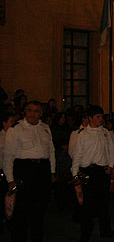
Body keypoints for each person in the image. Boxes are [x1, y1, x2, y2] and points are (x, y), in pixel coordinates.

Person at [3, 101, 56, 242]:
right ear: (24, 112)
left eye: (36, 111)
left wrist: (52, 172)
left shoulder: (45, 128)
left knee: (39, 210)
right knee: (21, 211)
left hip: (42, 170)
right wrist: (10, 179)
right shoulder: (16, 129)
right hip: (24, 169)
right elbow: (8, 156)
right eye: (30, 111)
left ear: (41, 113)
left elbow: (51, 151)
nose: (33, 114)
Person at [71, 105, 114, 240]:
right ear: (90, 118)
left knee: (104, 203)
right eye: (97, 116)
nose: (100, 119)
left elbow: (110, 151)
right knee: (87, 205)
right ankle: (86, 233)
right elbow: (77, 155)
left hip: (102, 171)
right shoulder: (83, 134)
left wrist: (110, 165)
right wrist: (75, 174)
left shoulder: (105, 133)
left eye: (101, 116)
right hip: (88, 171)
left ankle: (105, 230)